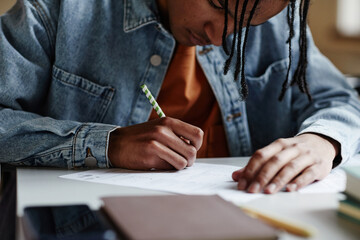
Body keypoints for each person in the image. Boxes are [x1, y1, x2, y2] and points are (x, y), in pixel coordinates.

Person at [0, 0, 359, 194]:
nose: (221, 37)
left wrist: (322, 141)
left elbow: (340, 100)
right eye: (218, 5)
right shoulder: (57, 12)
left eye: (246, 25)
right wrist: (106, 145)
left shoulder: (279, 26)